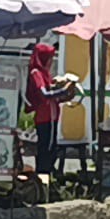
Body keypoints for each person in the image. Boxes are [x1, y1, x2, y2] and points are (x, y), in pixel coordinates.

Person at [26, 43, 72, 181]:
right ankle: (42, 178)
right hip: (45, 118)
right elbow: (45, 94)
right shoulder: (37, 73)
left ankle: (46, 177)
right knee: (46, 150)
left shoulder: (45, 74)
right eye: (50, 58)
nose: (52, 61)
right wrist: (64, 90)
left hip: (51, 117)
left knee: (51, 149)